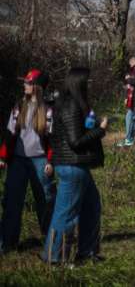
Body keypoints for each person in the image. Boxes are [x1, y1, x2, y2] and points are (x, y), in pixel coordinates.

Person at [44, 68, 107, 264]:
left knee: (91, 206)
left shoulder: (73, 104)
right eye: (87, 81)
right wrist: (101, 130)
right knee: (66, 214)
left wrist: (93, 124)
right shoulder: (70, 105)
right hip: (72, 167)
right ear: (77, 83)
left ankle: (87, 253)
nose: (90, 84)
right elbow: (76, 142)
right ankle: (54, 258)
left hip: (77, 165)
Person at [1, 69, 54, 254]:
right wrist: (3, 157)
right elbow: (9, 135)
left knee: (45, 201)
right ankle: (8, 243)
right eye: (25, 82)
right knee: (12, 202)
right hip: (18, 162)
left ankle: (50, 242)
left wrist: (50, 161)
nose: (25, 85)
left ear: (37, 87)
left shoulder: (48, 110)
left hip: (40, 161)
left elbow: (52, 140)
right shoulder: (18, 106)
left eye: (28, 83)